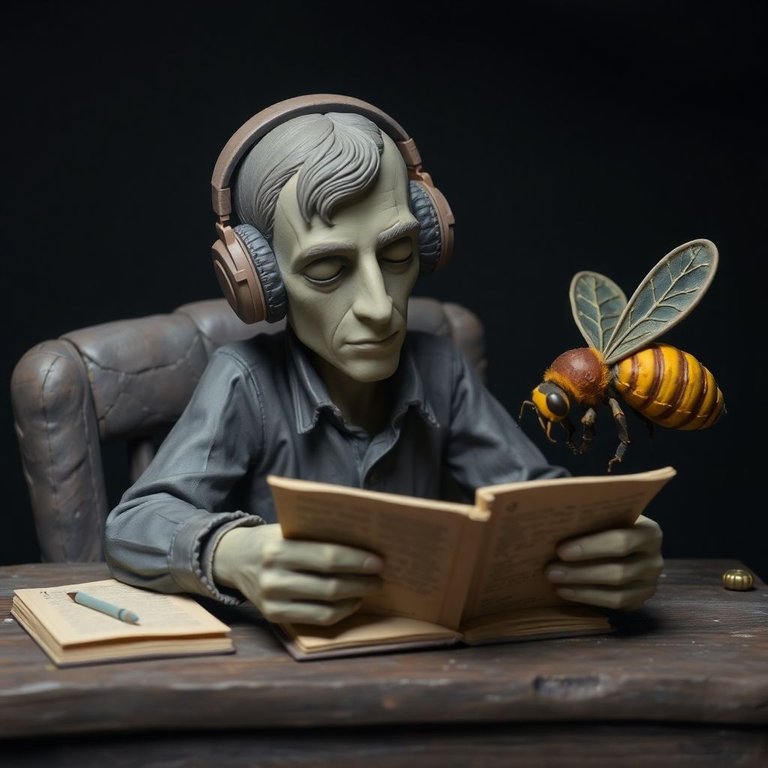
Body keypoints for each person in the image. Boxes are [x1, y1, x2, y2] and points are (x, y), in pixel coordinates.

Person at [104, 95, 663, 627]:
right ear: (261, 282)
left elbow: (534, 502)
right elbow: (132, 525)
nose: (378, 307)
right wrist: (231, 551)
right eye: (327, 271)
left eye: (397, 256)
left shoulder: (442, 371)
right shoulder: (244, 382)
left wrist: (603, 542)